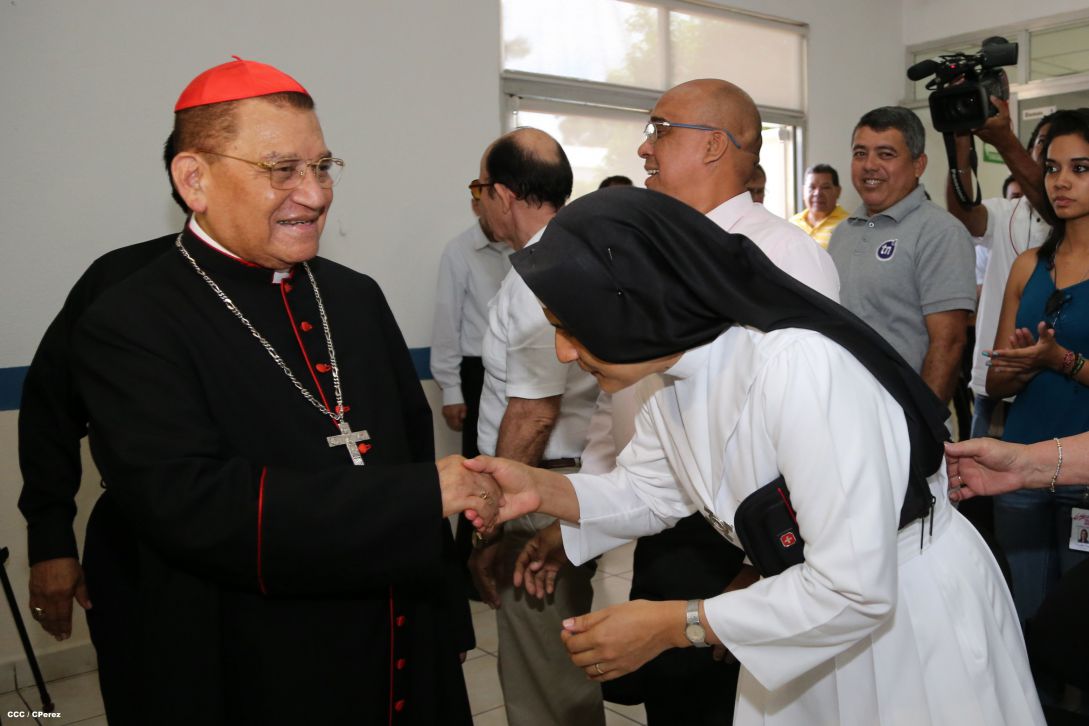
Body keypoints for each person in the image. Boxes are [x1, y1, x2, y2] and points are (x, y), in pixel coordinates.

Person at [465, 185, 1044, 726]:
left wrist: (675, 625)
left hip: (904, 617)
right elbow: (649, 490)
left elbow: (853, 587)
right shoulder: (663, 370)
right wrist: (537, 487)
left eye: (573, 328)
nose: (565, 353)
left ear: (636, 304)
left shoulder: (796, 368)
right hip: (796, 613)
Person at [70, 57, 498, 725]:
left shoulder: (354, 297)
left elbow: (411, 447)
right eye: (282, 170)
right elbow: (194, 506)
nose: (317, 194)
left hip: (395, 633)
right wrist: (418, 496)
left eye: (323, 167)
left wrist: (446, 615)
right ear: (194, 179)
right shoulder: (130, 319)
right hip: (255, 653)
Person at [576, 77, 840, 726]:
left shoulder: (781, 256)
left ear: (715, 147)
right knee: (676, 694)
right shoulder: (669, 249)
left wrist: (758, 569)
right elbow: (660, 410)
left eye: (659, 130)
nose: (643, 149)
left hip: (754, 534)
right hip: (675, 502)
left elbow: (809, 434)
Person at [17, 135, 192, 723]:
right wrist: (51, 542)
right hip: (140, 554)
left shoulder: (327, 290)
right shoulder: (120, 281)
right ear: (193, 179)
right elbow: (48, 408)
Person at [468, 128, 604, 726]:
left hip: (536, 490)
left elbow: (533, 412)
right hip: (566, 482)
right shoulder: (573, 253)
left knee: (543, 673)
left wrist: (489, 525)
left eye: (479, 188)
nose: (477, 202)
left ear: (502, 194)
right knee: (560, 657)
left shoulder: (535, 276)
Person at [984, 108, 1089, 625]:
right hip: (1019, 469)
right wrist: (1023, 364)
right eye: (1051, 168)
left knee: (1075, 627)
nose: (1061, 181)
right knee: (1024, 619)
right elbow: (994, 380)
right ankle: (1030, 709)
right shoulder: (1029, 265)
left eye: (1080, 168)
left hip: (1083, 473)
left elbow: (1065, 362)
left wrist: (1061, 359)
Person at [829, 106, 976, 405]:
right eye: (860, 153)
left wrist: (923, 426)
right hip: (842, 407)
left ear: (918, 164)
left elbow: (948, 343)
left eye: (885, 154)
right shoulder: (843, 232)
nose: (869, 165)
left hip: (901, 415)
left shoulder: (940, 232)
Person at [946, 103, 1055, 440]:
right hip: (994, 387)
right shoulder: (1006, 211)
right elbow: (965, 213)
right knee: (985, 488)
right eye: (1042, 146)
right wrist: (961, 146)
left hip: (1060, 384)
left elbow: (1050, 206)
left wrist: (1004, 139)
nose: (1048, 157)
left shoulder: (1075, 220)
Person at [429, 195, 512, 598]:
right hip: (476, 372)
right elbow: (447, 319)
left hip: (518, 370)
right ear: (478, 205)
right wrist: (450, 388)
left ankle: (502, 556)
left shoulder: (522, 245)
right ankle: (469, 570)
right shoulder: (459, 251)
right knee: (478, 471)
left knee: (512, 466)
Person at [789, 163, 848, 249]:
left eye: (825, 187)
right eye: (812, 187)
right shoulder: (792, 223)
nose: (818, 193)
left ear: (838, 191)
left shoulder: (848, 224)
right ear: (803, 191)